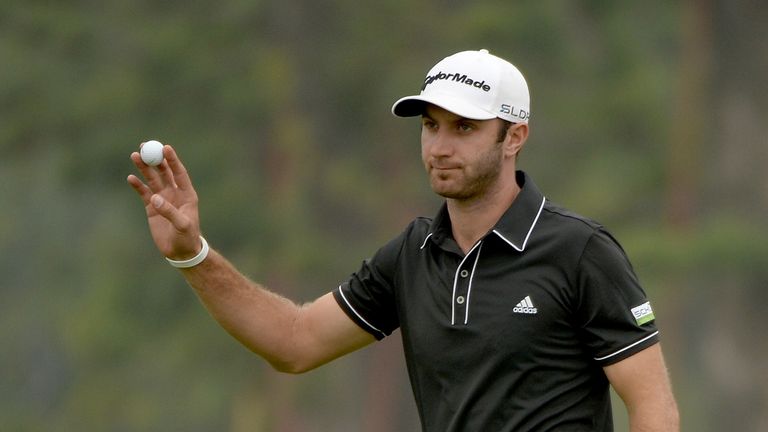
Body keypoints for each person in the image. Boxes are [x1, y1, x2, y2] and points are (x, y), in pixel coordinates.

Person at [127, 49, 679, 431]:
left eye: (463, 128)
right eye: (430, 126)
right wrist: (191, 255)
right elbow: (293, 342)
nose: (439, 146)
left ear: (515, 137)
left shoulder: (578, 251)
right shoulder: (413, 255)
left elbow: (653, 406)